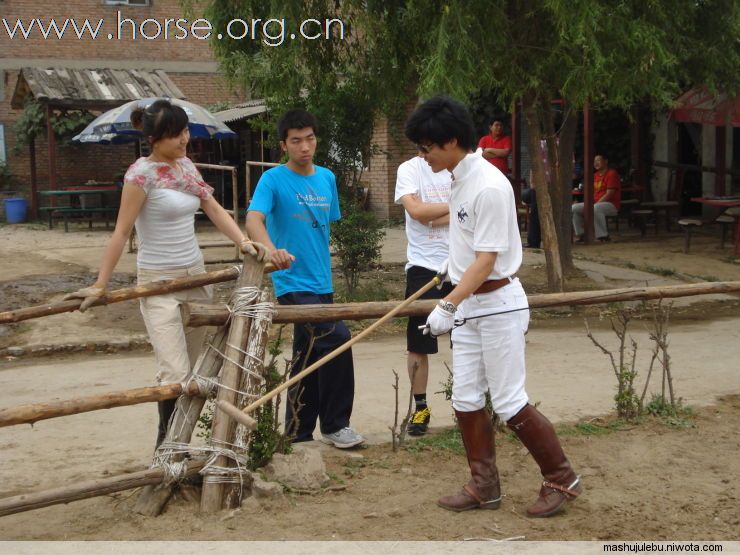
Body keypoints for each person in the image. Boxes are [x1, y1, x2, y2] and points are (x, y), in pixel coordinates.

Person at [406, 96, 581, 518]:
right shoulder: (458, 179)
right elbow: (468, 244)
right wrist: (451, 267)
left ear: (450, 141)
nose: (422, 155)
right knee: (466, 397)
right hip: (470, 305)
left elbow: (487, 258)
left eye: (426, 146)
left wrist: (446, 304)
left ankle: (561, 477)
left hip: (498, 304)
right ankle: (484, 485)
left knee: (507, 400)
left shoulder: (489, 184)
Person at [64, 100, 268, 448]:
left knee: (196, 368)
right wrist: (101, 284)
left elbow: (213, 207)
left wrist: (243, 241)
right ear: (155, 138)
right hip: (158, 281)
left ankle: (184, 446)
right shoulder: (139, 175)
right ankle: (167, 449)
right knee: (174, 373)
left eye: (185, 131)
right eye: (176, 134)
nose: (184, 139)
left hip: (195, 276)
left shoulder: (187, 168)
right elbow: (120, 232)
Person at [246, 109, 363, 449]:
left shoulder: (326, 178)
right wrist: (271, 251)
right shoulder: (272, 180)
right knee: (338, 338)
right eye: (296, 141)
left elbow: (325, 227)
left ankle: (297, 429)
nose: (304, 146)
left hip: (322, 283)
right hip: (292, 282)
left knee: (308, 353)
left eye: (309, 138)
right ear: (284, 145)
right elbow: (254, 221)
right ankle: (336, 424)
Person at [394, 150, 454, 436]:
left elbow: (475, 212)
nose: (427, 150)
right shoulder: (409, 169)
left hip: (463, 264)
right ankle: (421, 408)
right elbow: (417, 214)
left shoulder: (462, 167)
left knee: (469, 338)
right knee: (419, 343)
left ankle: (472, 407)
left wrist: (436, 213)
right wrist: (457, 208)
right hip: (423, 267)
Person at [572, 154, 621, 242]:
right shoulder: (594, 175)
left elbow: (609, 194)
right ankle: (581, 234)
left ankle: (603, 236)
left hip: (611, 204)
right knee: (574, 208)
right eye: (594, 161)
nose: (596, 163)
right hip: (595, 203)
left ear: (605, 161)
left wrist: (595, 204)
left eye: (598, 160)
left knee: (596, 208)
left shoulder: (612, 173)